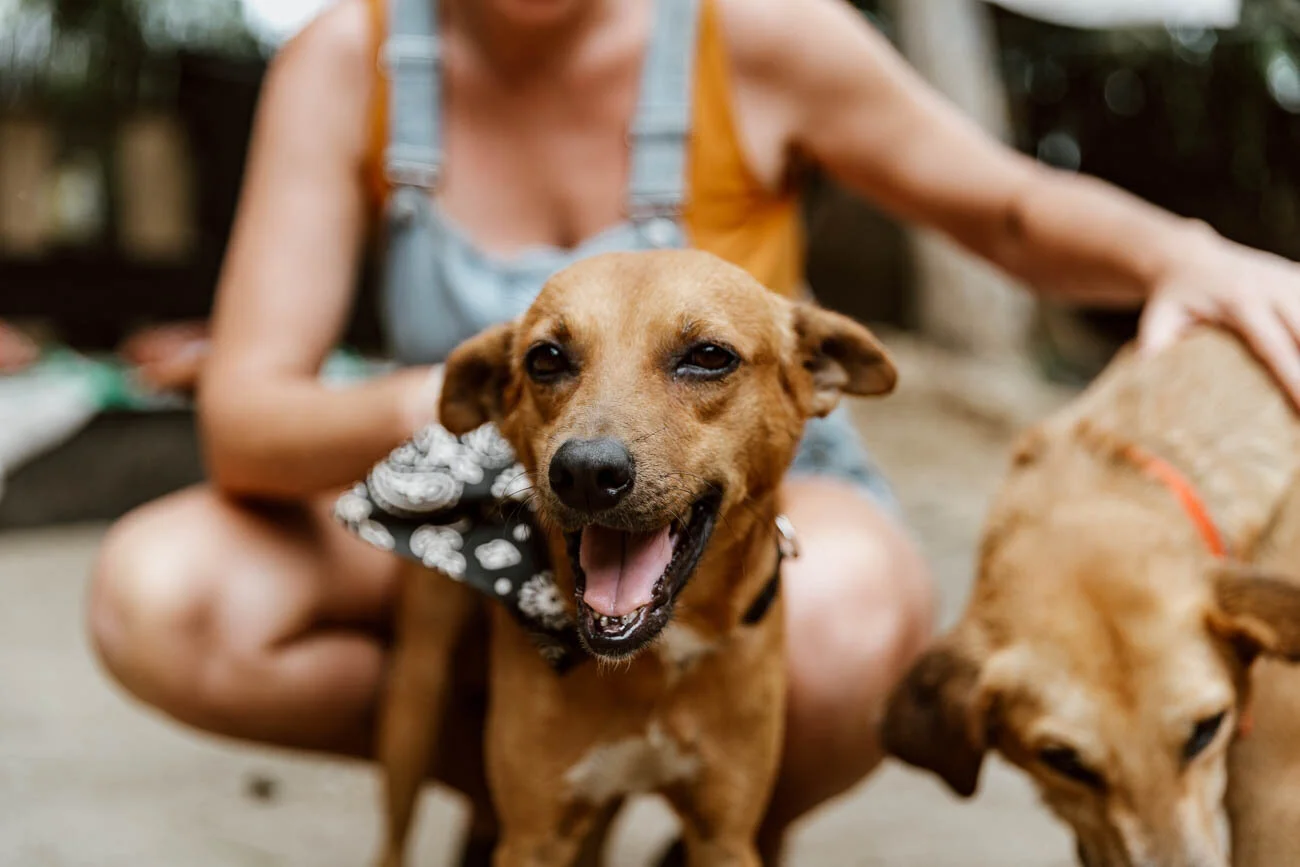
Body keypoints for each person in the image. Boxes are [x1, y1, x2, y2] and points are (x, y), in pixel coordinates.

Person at [89, 0, 1300, 859]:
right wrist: (515, 403)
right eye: (554, 356)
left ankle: (679, 791)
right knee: (161, 590)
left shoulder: (757, 27)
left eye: (699, 353)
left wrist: (1181, 254)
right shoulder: (346, 56)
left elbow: (1008, 206)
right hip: (487, 478)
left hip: (752, 500)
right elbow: (245, 418)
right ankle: (540, 786)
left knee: (857, 613)